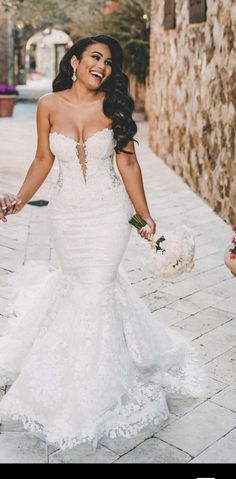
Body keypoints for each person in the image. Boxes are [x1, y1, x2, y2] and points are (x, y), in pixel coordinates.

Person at [0, 35, 203, 451]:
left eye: (109, 62)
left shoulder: (115, 106)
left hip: (109, 215)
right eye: (96, 57)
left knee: (95, 290)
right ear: (74, 61)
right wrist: (19, 199)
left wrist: (144, 216)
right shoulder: (48, 105)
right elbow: (43, 159)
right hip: (67, 215)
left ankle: (92, 394)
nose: (103, 67)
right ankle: (69, 371)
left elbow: (127, 161)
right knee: (77, 288)